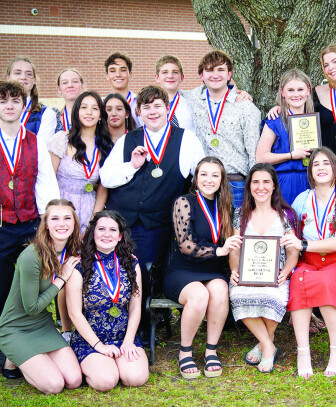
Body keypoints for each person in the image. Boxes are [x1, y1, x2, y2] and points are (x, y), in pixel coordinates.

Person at [100, 85, 204, 342]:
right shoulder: (128, 139)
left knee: (140, 267)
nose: (152, 111)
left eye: (158, 105)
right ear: (138, 112)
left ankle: (144, 326)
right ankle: (109, 323)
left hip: (157, 223)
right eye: (146, 107)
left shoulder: (186, 139)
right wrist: (131, 165)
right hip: (121, 220)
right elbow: (106, 177)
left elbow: (202, 177)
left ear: (167, 109)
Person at [281, 147, 336, 378]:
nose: (320, 168)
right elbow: (289, 229)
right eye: (316, 164)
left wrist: (304, 245)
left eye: (326, 163)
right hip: (310, 262)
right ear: (310, 172)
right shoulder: (302, 200)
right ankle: (303, 351)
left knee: (327, 281)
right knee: (299, 279)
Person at [164, 156, 240, 379]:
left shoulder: (226, 205)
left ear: (222, 180)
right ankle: (185, 351)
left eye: (215, 175)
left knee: (219, 290)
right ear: (196, 179)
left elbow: (232, 242)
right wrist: (219, 251)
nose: (209, 179)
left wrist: (234, 264)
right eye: (204, 174)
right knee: (198, 295)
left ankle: (211, 349)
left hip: (212, 269)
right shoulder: (184, 202)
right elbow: (186, 245)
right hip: (182, 269)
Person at [0, 199, 82, 393]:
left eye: (67, 218)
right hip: (16, 327)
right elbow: (32, 308)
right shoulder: (31, 256)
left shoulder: (70, 251)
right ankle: (18, 357)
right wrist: (60, 279)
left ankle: (30, 358)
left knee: (74, 380)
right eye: (54, 218)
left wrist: (125, 257)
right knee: (54, 385)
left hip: (42, 325)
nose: (61, 224)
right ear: (45, 224)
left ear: (74, 223)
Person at [267, 45, 336, 195]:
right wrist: (279, 107)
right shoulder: (317, 93)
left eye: (335, 61)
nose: (331, 68)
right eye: (326, 65)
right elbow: (297, 104)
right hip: (320, 167)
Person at [66, 210, 149, 391]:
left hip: (123, 336)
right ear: (93, 233)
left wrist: (128, 341)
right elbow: (74, 313)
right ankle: (98, 365)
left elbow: (135, 307)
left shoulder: (131, 264)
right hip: (90, 340)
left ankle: (118, 361)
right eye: (101, 229)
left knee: (136, 378)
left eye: (112, 230)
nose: (106, 234)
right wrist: (99, 346)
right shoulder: (78, 266)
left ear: (120, 236)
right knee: (106, 382)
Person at [229, 163, 299, 373]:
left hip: (276, 274)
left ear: (274, 186)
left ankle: (262, 344)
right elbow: (234, 249)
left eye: (266, 182)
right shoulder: (240, 213)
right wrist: (234, 269)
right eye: (256, 182)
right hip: (246, 272)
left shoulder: (286, 215)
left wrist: (285, 272)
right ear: (249, 186)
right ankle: (268, 345)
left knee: (274, 298)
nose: (261, 187)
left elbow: (293, 252)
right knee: (238, 294)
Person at [0, 80, 59, 316]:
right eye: (3, 101)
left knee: (33, 282)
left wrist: (49, 221)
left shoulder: (35, 142)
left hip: (30, 223)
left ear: (24, 106)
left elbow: (46, 183)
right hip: (2, 226)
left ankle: (31, 329)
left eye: (15, 101)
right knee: (1, 284)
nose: (9, 106)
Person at [188, 50, 261, 208]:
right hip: (203, 184)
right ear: (201, 75)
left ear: (229, 75)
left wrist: (255, 185)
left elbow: (253, 151)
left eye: (220, 70)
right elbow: (167, 94)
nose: (215, 75)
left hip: (235, 185)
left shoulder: (245, 106)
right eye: (209, 70)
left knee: (235, 232)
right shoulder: (190, 100)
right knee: (206, 231)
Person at [49, 91, 113, 234]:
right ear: (76, 111)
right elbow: (49, 180)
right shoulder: (62, 139)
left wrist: (93, 221)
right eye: (84, 107)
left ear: (100, 115)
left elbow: (104, 187)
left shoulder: (106, 145)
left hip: (90, 209)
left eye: (95, 108)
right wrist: (56, 214)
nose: (89, 112)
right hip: (62, 208)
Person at [256, 69, 312, 205]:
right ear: (282, 92)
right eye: (290, 90)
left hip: (311, 183)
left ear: (308, 90)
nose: (296, 94)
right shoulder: (275, 120)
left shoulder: (315, 118)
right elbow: (260, 158)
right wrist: (291, 155)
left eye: (300, 89)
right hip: (284, 184)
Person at [5, 56, 57, 144]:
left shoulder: (46, 113)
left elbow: (41, 149)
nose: (23, 77)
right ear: (8, 78)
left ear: (34, 80)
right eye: (17, 73)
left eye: (28, 74)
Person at [154, 55, 195, 132]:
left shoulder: (191, 103)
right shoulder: (149, 105)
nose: (170, 76)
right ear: (157, 78)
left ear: (182, 78)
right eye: (165, 72)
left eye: (175, 72)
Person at [104, 52, 142, 127]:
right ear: (107, 76)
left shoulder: (140, 103)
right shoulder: (102, 105)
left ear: (130, 74)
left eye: (123, 70)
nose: (118, 74)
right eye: (112, 71)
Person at [54, 68, 86, 133]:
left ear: (82, 87)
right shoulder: (53, 117)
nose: (70, 85)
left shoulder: (92, 115)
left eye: (75, 81)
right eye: (65, 82)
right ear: (59, 89)